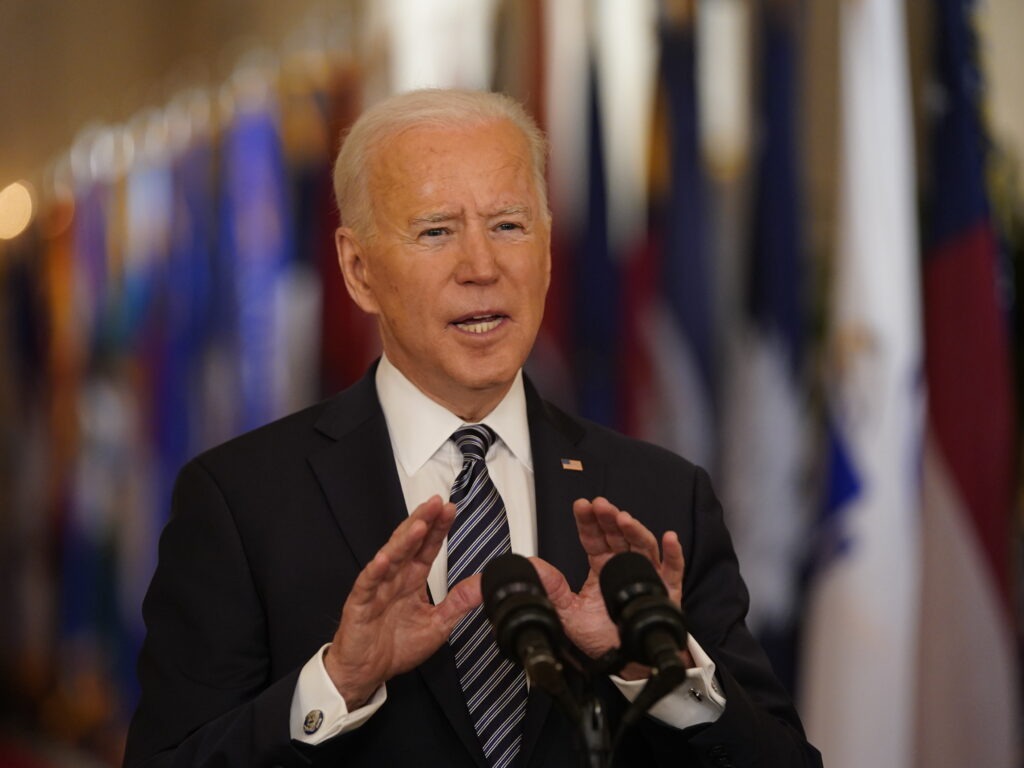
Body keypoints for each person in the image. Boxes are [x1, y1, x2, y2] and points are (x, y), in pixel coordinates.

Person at [123, 88, 821, 768]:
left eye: (509, 225)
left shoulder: (662, 497)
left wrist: (655, 668)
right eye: (436, 231)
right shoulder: (241, 502)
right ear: (358, 269)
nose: (482, 267)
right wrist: (334, 685)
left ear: (547, 255)